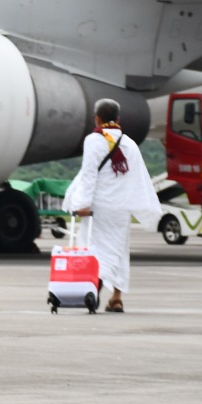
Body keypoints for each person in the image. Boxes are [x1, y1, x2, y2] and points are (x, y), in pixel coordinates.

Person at [62, 99, 161, 312]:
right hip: (121, 209)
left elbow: (89, 176)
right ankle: (116, 298)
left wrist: (82, 204)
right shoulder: (129, 144)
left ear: (96, 118)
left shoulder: (93, 141)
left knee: (95, 251)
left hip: (98, 208)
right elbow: (136, 179)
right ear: (118, 119)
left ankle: (93, 292)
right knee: (118, 251)